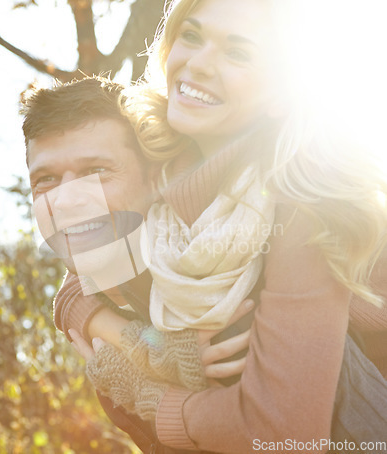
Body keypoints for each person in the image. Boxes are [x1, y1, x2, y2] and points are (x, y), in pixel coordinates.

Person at [64, 0, 387, 452]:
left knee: (233, 324)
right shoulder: (152, 163)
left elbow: (286, 434)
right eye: (191, 36)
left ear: (280, 94)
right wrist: (143, 346)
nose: (198, 64)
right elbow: (78, 282)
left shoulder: (304, 203)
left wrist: (152, 397)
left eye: (237, 53)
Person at [21, 76, 253, 453]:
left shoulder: (222, 273)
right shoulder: (108, 328)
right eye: (46, 180)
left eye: (95, 171)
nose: (65, 200)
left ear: (154, 176)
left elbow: (278, 434)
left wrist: (150, 393)